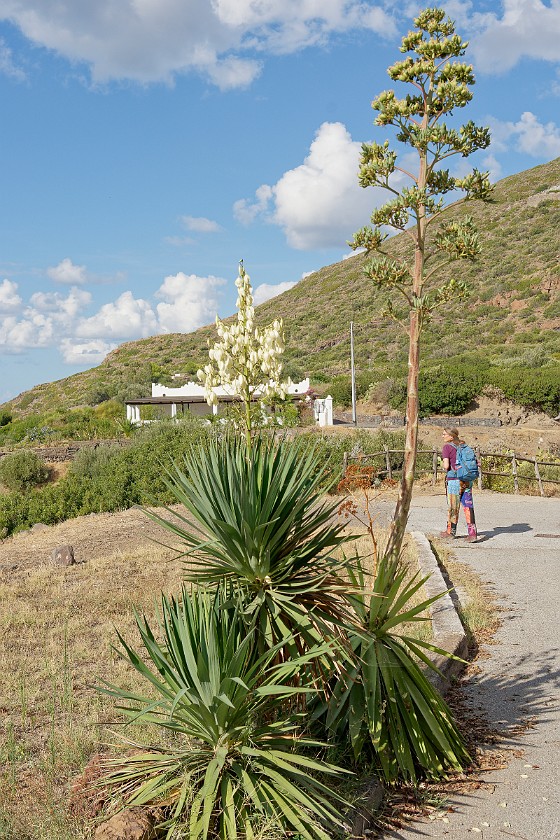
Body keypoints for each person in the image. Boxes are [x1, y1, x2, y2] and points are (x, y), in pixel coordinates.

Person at [440, 427, 478, 542]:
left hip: (453, 481)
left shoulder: (447, 447)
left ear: (451, 436)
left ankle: (450, 532)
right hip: (467, 479)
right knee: (468, 506)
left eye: (444, 434)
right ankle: (472, 534)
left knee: (453, 507)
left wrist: (443, 465)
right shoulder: (463, 446)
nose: (442, 436)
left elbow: (446, 466)